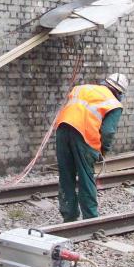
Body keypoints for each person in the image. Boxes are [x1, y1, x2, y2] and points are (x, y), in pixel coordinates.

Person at [55, 73, 128, 222]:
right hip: (84, 135)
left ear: (105, 83)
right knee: (86, 177)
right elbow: (108, 132)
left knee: (65, 175)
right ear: (119, 92)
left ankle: (69, 215)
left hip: (62, 130)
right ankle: (90, 218)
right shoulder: (114, 103)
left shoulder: (81, 88)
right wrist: (103, 151)